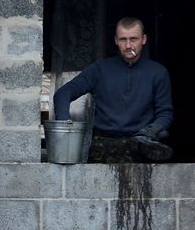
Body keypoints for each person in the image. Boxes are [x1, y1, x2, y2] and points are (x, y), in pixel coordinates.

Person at [53, 17, 174, 162]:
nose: (128, 45)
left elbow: (165, 113)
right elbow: (63, 93)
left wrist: (152, 130)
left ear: (144, 39)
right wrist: (65, 125)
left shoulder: (158, 72)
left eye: (133, 39)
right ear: (116, 41)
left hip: (141, 146)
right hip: (103, 148)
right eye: (123, 39)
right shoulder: (100, 69)